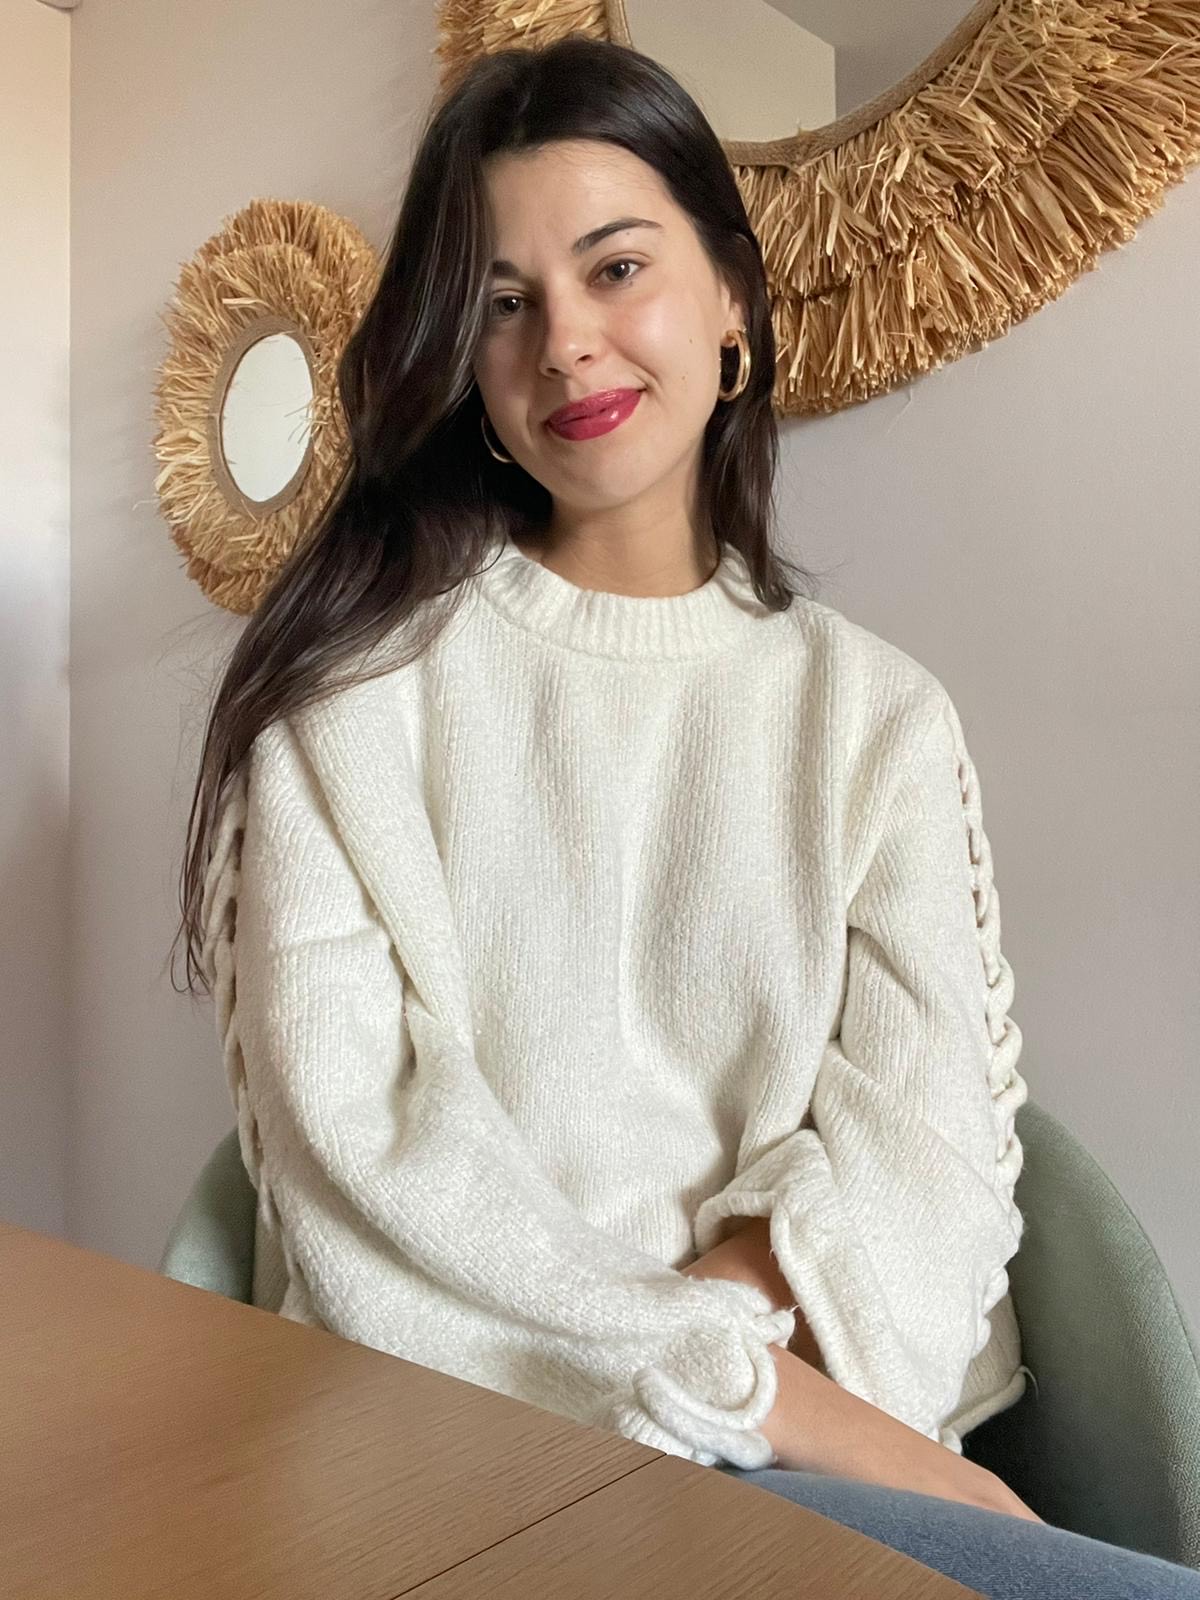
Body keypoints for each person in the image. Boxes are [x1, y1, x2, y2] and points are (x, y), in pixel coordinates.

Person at [171, 33, 1200, 1599]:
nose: (566, 344)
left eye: (615, 269)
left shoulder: (877, 721)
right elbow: (366, 1177)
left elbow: (929, 1154)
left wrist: (745, 1376)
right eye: (503, 303)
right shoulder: (347, 706)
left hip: (812, 1460)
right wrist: (755, 1394)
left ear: (733, 301)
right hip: (466, 1465)